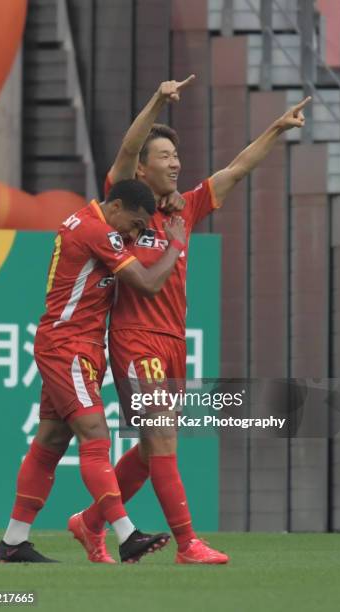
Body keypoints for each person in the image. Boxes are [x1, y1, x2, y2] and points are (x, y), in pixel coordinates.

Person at [74, 79, 311, 564]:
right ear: (143, 166)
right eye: (163, 156)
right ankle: (187, 544)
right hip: (134, 340)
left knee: (149, 449)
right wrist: (159, 99)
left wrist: (276, 128)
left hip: (172, 341)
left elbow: (238, 170)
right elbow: (126, 147)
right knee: (161, 439)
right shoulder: (123, 200)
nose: (175, 163)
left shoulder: (189, 206)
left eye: (176, 156)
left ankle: (89, 522)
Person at [0, 179, 187, 564]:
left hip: (73, 344)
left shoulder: (89, 223)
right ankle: (126, 533)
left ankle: (14, 541)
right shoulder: (99, 230)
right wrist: (176, 245)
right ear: (115, 207)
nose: (132, 234)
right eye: (133, 224)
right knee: (95, 435)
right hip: (69, 347)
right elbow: (149, 284)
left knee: (50, 441)